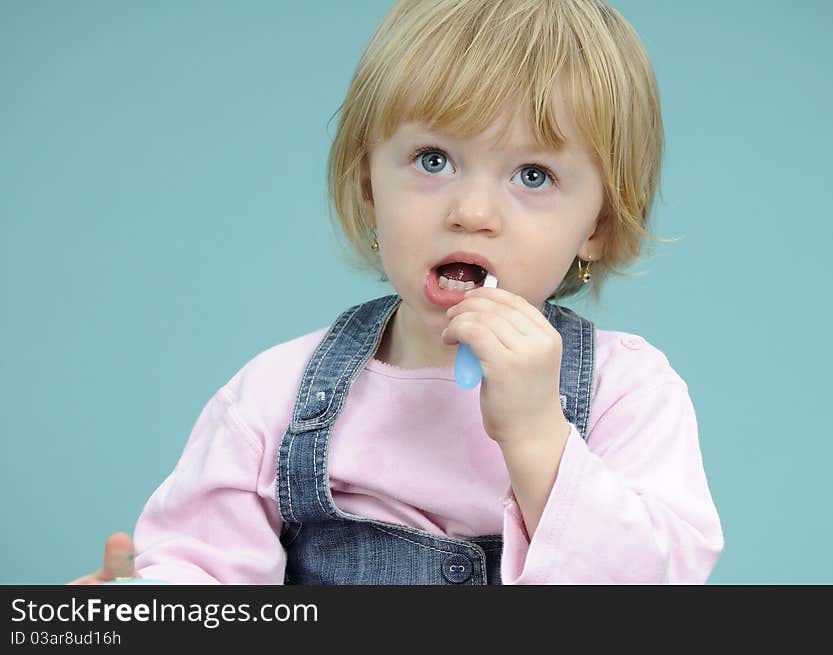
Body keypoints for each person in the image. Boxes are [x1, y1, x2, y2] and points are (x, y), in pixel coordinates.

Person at [70, 0, 723, 585]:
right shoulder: (273, 396)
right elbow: (205, 570)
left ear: (598, 227)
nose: (472, 211)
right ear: (366, 184)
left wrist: (537, 433)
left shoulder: (627, 393)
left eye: (533, 173)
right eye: (434, 160)